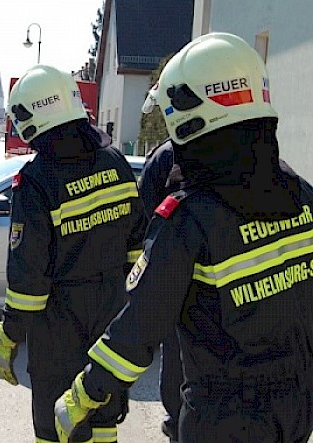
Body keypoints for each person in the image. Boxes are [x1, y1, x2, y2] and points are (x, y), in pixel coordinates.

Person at [55, 32, 313, 443]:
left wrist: (86, 392)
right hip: (299, 409)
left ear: (193, 117)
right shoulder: (301, 194)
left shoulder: (189, 219)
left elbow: (139, 326)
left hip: (224, 421)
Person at [0, 65, 147, 443]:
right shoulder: (116, 164)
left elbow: (28, 282)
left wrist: (7, 337)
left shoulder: (36, 181)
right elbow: (137, 244)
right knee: (103, 420)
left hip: (57, 327)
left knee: (55, 427)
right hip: (110, 316)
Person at [138, 141, 184, 442]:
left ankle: (177, 421)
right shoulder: (246, 147)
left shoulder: (165, 155)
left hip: (178, 275)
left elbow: (145, 215)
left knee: (178, 352)